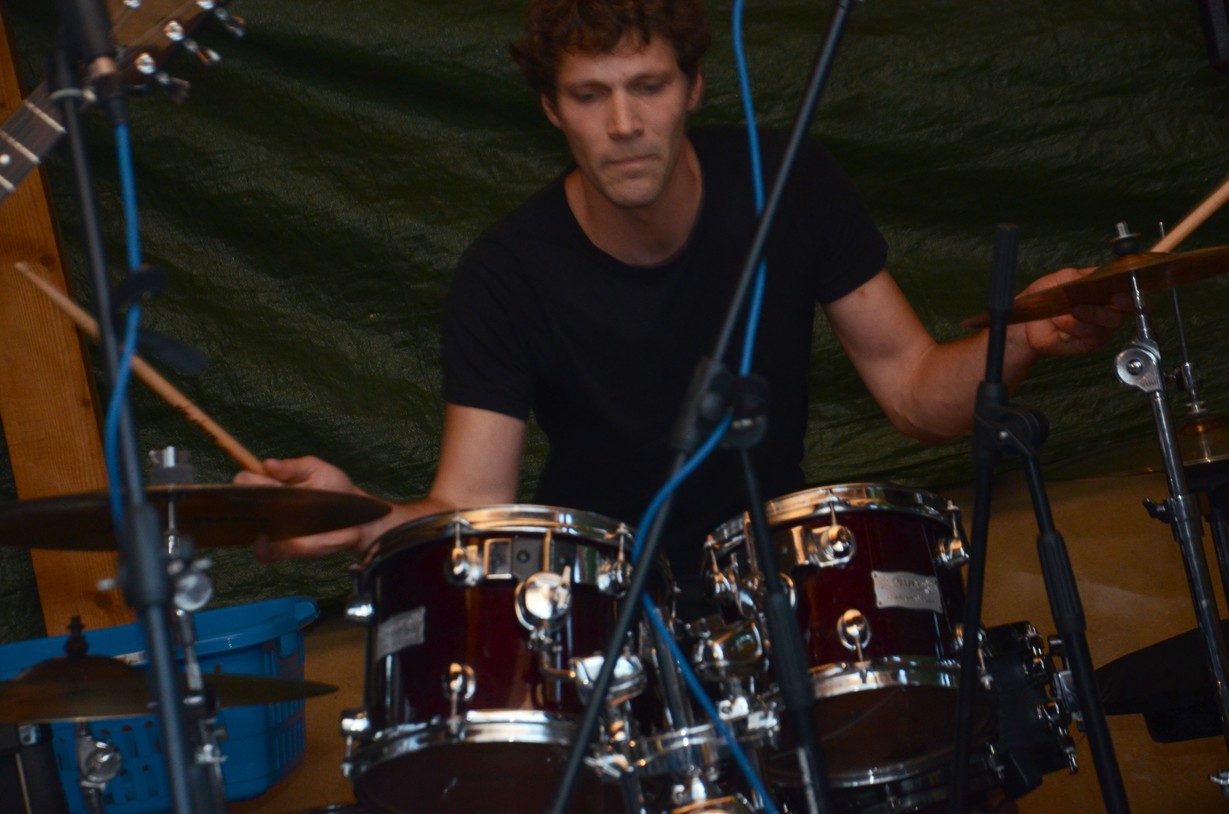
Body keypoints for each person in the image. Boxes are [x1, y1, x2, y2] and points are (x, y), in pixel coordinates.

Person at [235, 0, 1125, 581]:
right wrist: (357, 520)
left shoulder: (787, 182)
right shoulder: (506, 273)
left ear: (693, 87)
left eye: (647, 86)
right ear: (550, 109)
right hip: (613, 618)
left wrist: (1023, 335)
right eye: (589, 96)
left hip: (779, 582)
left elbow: (914, 393)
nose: (623, 124)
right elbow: (468, 504)